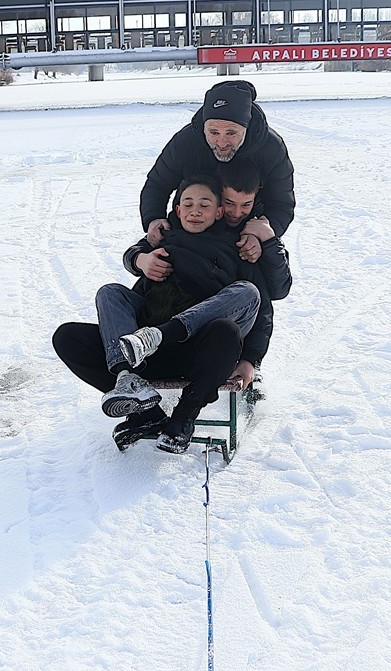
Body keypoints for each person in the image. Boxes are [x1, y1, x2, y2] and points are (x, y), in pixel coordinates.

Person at [53, 176, 292, 454]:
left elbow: (260, 309)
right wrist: (140, 258)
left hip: (201, 355)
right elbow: (133, 276)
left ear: (219, 212)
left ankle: (183, 417)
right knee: (86, 318)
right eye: (187, 204)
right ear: (177, 210)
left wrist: (251, 360)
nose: (195, 210)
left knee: (246, 296)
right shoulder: (159, 243)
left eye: (204, 205)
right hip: (144, 355)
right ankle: (139, 401)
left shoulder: (238, 248)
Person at [140, 80, 295, 261]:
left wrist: (262, 233)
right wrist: (154, 219)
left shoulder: (271, 148)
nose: (222, 143)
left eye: (231, 133)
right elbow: (157, 184)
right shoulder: (186, 141)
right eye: (213, 133)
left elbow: (281, 203)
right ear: (204, 126)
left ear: (246, 127)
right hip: (193, 226)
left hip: (244, 231)